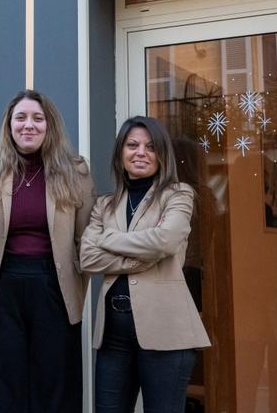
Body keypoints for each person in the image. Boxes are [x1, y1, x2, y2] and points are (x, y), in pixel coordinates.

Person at [0, 89, 93, 413]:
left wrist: (72, 282)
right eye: (21, 118)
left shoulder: (76, 171)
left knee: (55, 387)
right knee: (4, 387)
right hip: (3, 289)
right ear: (9, 125)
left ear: (49, 125)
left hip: (56, 288)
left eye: (38, 118)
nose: (29, 125)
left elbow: (84, 238)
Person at [80, 116, 210, 413]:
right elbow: (87, 257)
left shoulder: (178, 195)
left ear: (162, 155)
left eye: (151, 147)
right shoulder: (104, 204)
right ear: (120, 153)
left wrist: (108, 238)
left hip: (167, 333)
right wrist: (143, 254)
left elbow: (164, 242)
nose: (141, 152)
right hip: (113, 337)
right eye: (132, 145)